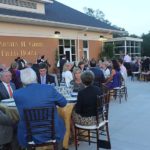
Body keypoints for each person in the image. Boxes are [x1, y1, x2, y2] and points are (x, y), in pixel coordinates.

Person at [13, 68, 67, 149]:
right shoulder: (49, 89)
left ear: (22, 80)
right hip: (52, 132)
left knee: (16, 124)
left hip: (28, 134)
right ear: (35, 77)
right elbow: (63, 103)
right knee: (61, 121)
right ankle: (59, 147)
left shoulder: (17, 94)